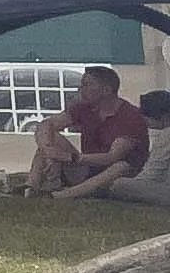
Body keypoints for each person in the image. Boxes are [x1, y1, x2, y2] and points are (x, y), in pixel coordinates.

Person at [13, 64, 147, 196]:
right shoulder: (84, 108)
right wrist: (49, 151)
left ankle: (60, 195)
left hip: (116, 175)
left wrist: (70, 157)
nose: (81, 89)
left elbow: (112, 157)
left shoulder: (130, 116)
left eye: (87, 85)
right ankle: (31, 186)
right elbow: (47, 124)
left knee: (120, 166)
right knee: (50, 137)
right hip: (86, 167)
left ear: (106, 90)